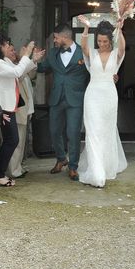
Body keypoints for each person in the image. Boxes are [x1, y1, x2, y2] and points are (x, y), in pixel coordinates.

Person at [0, 33, 44, 186]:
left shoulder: (2, 61)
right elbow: (17, 72)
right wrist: (27, 53)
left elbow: (19, 72)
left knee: (11, 140)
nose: (8, 46)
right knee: (12, 140)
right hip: (1, 108)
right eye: (5, 44)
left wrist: (32, 59)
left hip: (8, 106)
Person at [76, 16, 127, 187]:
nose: (102, 44)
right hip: (92, 96)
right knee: (93, 132)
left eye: (105, 41)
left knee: (106, 132)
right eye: (99, 41)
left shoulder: (115, 55)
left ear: (109, 40)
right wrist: (86, 28)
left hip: (109, 96)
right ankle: (96, 173)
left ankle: (105, 168)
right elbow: (83, 46)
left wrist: (119, 29)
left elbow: (122, 48)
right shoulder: (92, 52)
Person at [37, 23, 90, 181]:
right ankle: (61, 159)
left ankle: (73, 167)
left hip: (76, 99)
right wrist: (31, 60)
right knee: (54, 131)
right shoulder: (53, 53)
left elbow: (93, 71)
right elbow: (42, 68)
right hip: (56, 99)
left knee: (73, 133)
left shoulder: (83, 52)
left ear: (65, 37)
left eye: (56, 37)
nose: (54, 40)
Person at [6, 43, 36, 179]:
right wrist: (28, 58)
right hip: (17, 106)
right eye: (11, 50)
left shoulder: (16, 64)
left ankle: (18, 167)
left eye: (14, 50)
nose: (13, 52)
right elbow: (19, 76)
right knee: (16, 139)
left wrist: (33, 59)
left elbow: (31, 74)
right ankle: (14, 170)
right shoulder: (7, 65)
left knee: (21, 139)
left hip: (25, 106)